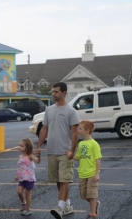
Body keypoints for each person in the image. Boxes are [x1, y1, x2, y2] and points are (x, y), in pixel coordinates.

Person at [36, 82, 80, 219]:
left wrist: (72, 150)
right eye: (53, 92)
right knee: (58, 180)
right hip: (52, 150)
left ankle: (60, 207)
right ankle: (68, 205)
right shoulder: (49, 110)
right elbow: (44, 129)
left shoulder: (71, 111)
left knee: (65, 179)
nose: (53, 94)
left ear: (64, 93)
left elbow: (74, 133)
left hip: (65, 151)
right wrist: (39, 146)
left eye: (56, 92)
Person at [72, 120, 102, 219]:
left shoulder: (94, 144)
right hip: (82, 173)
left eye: (80, 128)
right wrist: (71, 155)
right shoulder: (80, 144)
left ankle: (93, 213)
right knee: (84, 195)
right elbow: (79, 157)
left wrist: (97, 174)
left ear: (87, 130)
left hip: (92, 173)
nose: (78, 130)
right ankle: (96, 204)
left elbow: (98, 159)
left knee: (91, 194)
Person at [14, 138, 41, 216]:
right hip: (22, 178)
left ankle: (28, 209)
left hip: (29, 178)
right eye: (19, 145)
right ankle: (23, 203)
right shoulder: (20, 157)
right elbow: (20, 167)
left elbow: (38, 161)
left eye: (22, 146)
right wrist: (17, 175)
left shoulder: (30, 156)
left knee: (27, 193)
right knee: (19, 192)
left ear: (27, 147)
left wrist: (39, 156)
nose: (19, 147)